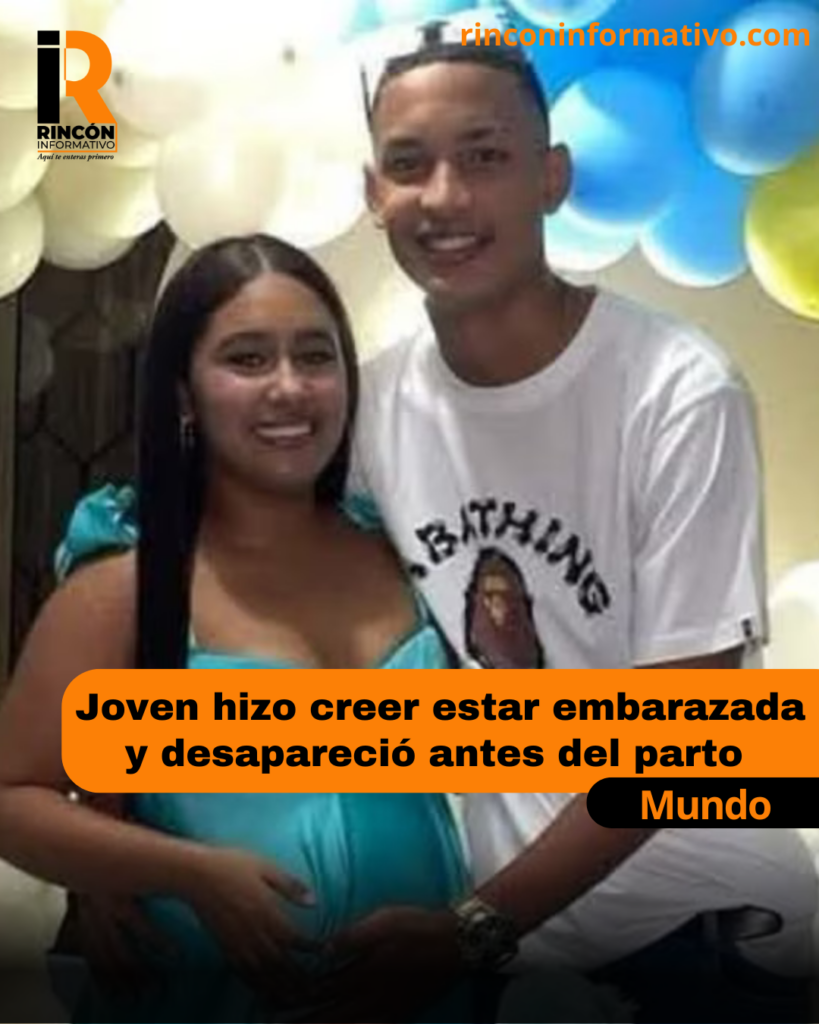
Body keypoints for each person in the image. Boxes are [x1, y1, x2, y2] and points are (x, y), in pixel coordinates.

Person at [302, 25, 817, 1024]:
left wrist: (474, 927)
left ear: (552, 177)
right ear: (373, 195)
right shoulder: (367, 410)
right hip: (507, 941)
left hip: (702, 931)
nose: (444, 197)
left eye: (484, 157)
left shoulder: (676, 390)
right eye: (408, 165)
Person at [0, 234, 476, 1023]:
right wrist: (185, 872)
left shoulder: (409, 552)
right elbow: (13, 798)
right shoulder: (125, 591)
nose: (289, 387)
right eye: (247, 359)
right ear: (184, 394)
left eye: (315, 357)